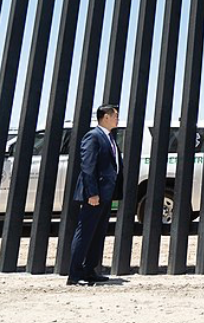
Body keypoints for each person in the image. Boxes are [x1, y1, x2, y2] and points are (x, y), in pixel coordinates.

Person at [67, 104, 124, 285]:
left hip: (106, 194)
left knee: (97, 234)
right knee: (84, 233)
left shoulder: (109, 137)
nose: (117, 119)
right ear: (105, 117)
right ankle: (74, 274)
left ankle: (90, 270)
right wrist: (92, 193)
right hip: (95, 194)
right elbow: (88, 166)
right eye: (115, 116)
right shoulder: (93, 136)